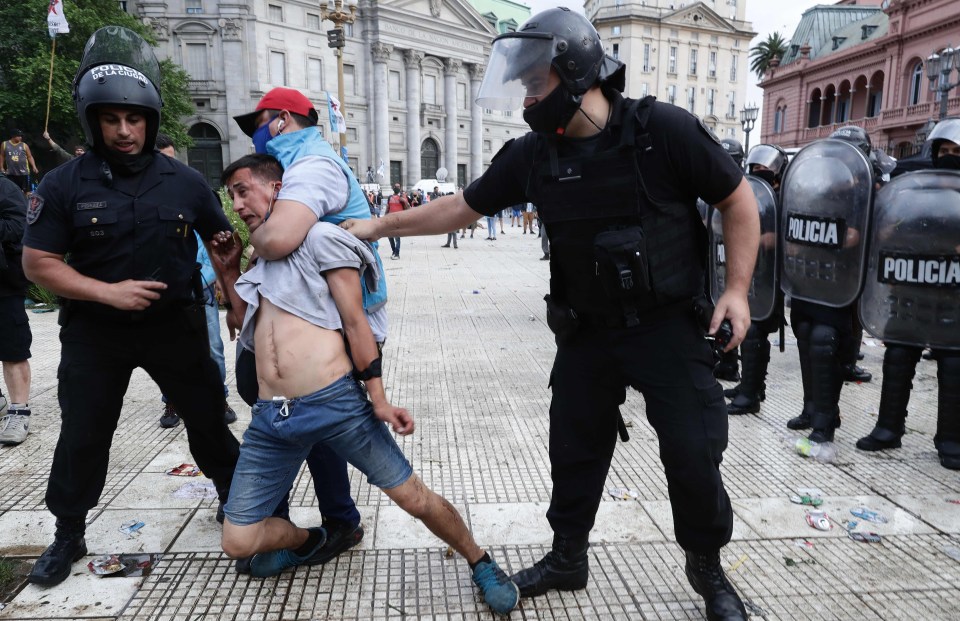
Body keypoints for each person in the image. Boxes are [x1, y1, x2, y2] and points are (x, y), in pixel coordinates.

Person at [342, 9, 759, 620]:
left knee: (694, 454)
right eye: (526, 84)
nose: (529, 97)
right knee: (574, 449)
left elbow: (737, 199)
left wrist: (739, 290)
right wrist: (378, 225)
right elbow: (461, 208)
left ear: (578, 73)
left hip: (669, 325)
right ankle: (568, 557)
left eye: (538, 83)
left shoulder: (661, 130)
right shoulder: (533, 155)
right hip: (586, 332)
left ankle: (708, 570)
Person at [211, 156, 520, 615]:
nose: (237, 205)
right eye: (231, 196)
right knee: (238, 541)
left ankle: (481, 560)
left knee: (413, 497)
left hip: (334, 402)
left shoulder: (322, 238)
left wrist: (378, 399)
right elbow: (244, 328)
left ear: (277, 188)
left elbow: (356, 323)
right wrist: (230, 270)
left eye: (242, 191)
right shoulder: (263, 256)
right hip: (273, 416)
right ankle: (309, 540)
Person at [21, 26, 240, 587]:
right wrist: (106, 292)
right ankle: (68, 532)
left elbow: (222, 244)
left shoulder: (187, 181)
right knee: (84, 431)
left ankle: (235, 501)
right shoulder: (63, 183)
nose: (123, 131)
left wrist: (234, 297)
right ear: (92, 120)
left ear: (150, 121)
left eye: (134, 119)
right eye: (110, 119)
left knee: (208, 420)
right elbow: (38, 262)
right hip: (97, 333)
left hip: (176, 326)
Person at [856, 118, 960, 470]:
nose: (949, 157)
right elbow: (890, 232)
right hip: (912, 287)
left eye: (957, 153)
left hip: (955, 295)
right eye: (944, 151)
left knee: (954, 366)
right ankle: (888, 429)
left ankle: (951, 441)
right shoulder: (914, 190)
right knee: (898, 356)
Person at [782, 126, 876, 443]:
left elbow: (861, 234)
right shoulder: (819, 185)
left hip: (841, 285)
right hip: (808, 280)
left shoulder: (868, 190)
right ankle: (811, 409)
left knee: (825, 343)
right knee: (807, 335)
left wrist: (832, 238)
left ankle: (826, 419)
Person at [154, 133, 237, 428]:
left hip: (201, 288)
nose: (169, 164)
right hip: (165, 292)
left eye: (172, 157)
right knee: (167, 349)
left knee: (213, 348)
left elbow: (216, 241)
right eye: (163, 158)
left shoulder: (193, 190)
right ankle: (172, 402)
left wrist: (213, 279)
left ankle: (219, 398)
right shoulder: (145, 200)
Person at [725, 144, 788, 416]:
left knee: (755, 334)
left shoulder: (784, 198)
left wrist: (754, 240)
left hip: (770, 279)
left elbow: (781, 236)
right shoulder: (753, 195)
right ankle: (750, 387)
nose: (759, 174)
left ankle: (751, 394)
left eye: (765, 171)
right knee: (749, 333)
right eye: (755, 170)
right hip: (751, 275)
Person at [0, 171, 33, 446]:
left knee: (12, 349)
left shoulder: (5, 188)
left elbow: (19, 226)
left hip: (4, 284)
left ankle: (18, 411)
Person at [713, 138, 747, 383]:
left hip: (737, 269)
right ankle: (723, 363)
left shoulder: (748, 190)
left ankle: (732, 367)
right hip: (714, 264)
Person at [1, 130, 39, 195]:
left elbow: (30, 156)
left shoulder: (24, 145)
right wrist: (1, 167)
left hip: (24, 173)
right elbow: (2, 156)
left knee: (27, 192)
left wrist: (34, 166)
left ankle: (26, 204)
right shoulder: (4, 144)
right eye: (19, 136)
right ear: (13, 136)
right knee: (12, 192)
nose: (21, 137)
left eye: (21, 136)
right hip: (11, 173)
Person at [384, 183, 409, 258]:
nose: (397, 188)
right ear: (393, 188)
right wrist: (385, 217)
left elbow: (407, 207)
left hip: (398, 219)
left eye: (398, 187)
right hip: (390, 219)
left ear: (400, 188)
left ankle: (397, 254)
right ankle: (394, 251)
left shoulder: (402, 198)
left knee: (397, 238)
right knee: (389, 236)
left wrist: (404, 200)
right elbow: (387, 208)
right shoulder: (390, 197)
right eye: (396, 187)